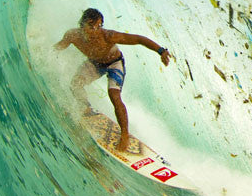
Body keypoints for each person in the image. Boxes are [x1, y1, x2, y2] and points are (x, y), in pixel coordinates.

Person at [54, 8, 171, 155]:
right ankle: (85, 107)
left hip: (114, 63)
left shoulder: (108, 36)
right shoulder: (73, 35)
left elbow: (139, 39)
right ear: (82, 24)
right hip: (95, 63)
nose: (96, 30)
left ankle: (125, 134)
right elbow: (58, 47)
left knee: (114, 95)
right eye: (92, 26)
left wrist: (161, 51)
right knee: (75, 84)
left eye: (99, 26)